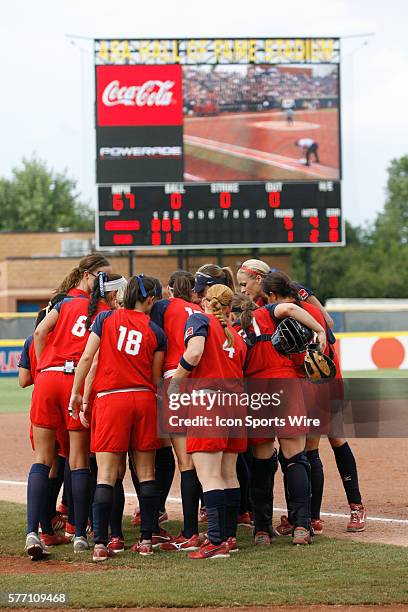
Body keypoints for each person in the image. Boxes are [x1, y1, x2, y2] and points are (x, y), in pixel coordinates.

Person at [24, 272, 124, 560]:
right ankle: (80, 534)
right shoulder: (106, 315)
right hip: (74, 381)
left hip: (47, 379)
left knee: (43, 459)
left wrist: (43, 369)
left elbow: (40, 332)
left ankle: (33, 531)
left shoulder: (65, 303)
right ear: (112, 294)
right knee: (78, 460)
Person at [68, 275, 166, 562]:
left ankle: (100, 542)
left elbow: (87, 358)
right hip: (143, 398)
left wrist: (77, 393)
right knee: (147, 473)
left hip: (112, 399)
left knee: (107, 474)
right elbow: (156, 378)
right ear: (149, 299)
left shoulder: (105, 319)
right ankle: (147, 539)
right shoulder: (156, 330)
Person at [266, 273, 367, 536]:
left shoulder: (296, 312)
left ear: (272, 295)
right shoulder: (307, 309)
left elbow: (321, 348)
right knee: (313, 448)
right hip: (314, 381)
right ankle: (312, 517)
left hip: (319, 382)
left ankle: (342, 509)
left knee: (323, 444)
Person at [234, 278, 326, 545]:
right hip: (286, 387)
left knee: (262, 464)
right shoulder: (266, 313)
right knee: (295, 459)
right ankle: (301, 527)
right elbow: (289, 309)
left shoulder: (234, 330)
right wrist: (319, 330)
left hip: (255, 393)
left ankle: (262, 530)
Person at [169, 284, 247, 559]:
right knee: (229, 474)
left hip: (208, 401)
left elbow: (193, 353)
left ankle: (215, 541)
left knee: (209, 475)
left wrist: (175, 384)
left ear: (204, 300)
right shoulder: (235, 336)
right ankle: (228, 538)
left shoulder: (200, 319)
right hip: (235, 404)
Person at [150, 270, 204, 552]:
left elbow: (155, 340)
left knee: (185, 462)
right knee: (202, 459)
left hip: (174, 379)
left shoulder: (161, 306)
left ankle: (189, 531)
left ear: (170, 289)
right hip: (202, 382)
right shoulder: (198, 310)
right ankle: (210, 526)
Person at [236, 258, 334, 329]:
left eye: (244, 284)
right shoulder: (258, 304)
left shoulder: (295, 290)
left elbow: (328, 322)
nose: (242, 290)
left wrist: (319, 336)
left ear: (258, 279)